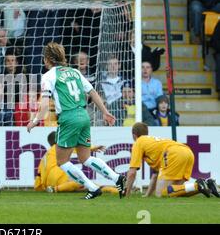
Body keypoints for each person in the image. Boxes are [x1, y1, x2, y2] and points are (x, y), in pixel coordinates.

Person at [27, 42, 126, 200]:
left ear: (47, 59)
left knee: (62, 161)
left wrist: (35, 120)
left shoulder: (49, 76)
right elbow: (92, 92)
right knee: (85, 158)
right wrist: (105, 112)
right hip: (84, 115)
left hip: (69, 117)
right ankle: (116, 178)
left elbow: (45, 104)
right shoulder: (75, 72)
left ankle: (92, 188)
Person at [124, 122, 219, 198]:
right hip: (187, 152)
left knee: (161, 193)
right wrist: (147, 195)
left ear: (134, 135)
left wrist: (126, 194)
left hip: (173, 154)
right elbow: (155, 176)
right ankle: (207, 185)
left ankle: (197, 185)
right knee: (176, 192)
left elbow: (132, 173)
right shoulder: (151, 141)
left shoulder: (138, 142)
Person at [34, 131, 119, 194]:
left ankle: (107, 189)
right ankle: (55, 189)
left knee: (83, 186)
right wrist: (92, 148)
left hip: (48, 182)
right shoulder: (59, 146)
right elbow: (77, 147)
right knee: (79, 182)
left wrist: (38, 187)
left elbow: (39, 174)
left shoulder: (46, 155)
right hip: (58, 176)